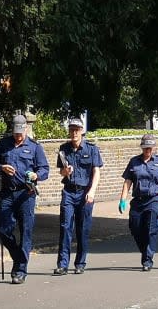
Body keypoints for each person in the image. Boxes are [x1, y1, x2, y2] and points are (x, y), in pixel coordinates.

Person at [0, 114, 49, 285]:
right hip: (8, 193)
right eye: (16, 132)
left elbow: (45, 170)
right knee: (3, 229)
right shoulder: (4, 144)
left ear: (26, 129)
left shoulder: (35, 147)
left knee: (26, 231)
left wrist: (36, 175)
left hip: (26, 194)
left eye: (21, 132)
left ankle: (20, 270)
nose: (18, 136)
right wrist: (2, 168)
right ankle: (18, 257)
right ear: (13, 129)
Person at [53, 118, 103, 276]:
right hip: (68, 191)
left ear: (82, 131)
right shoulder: (63, 149)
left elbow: (96, 172)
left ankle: (80, 263)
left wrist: (92, 191)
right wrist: (65, 172)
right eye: (72, 129)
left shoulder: (91, 149)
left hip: (85, 193)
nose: (74, 132)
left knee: (83, 229)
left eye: (77, 129)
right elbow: (61, 172)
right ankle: (62, 264)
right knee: (65, 227)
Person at [118, 134, 158, 272]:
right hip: (138, 201)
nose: (148, 150)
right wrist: (122, 199)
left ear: (154, 148)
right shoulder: (134, 162)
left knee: (151, 229)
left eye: (150, 148)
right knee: (135, 228)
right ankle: (145, 251)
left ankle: (148, 259)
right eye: (145, 148)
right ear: (142, 148)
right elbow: (128, 182)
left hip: (155, 199)